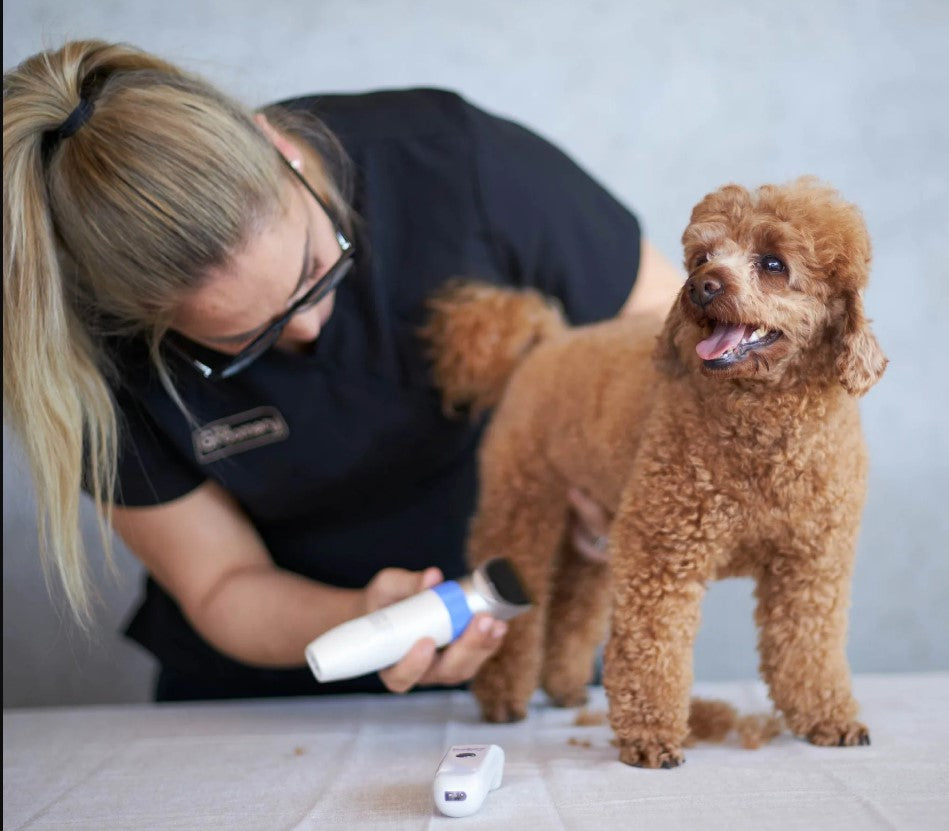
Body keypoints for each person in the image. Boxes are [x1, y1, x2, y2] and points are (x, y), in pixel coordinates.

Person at [2, 40, 682, 702]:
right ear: (143, 322)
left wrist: (615, 470)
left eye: (313, 270)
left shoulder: (450, 161)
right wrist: (364, 614)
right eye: (247, 338)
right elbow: (221, 582)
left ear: (281, 149)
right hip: (257, 697)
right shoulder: (89, 358)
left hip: (525, 638)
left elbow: (658, 325)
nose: (307, 326)